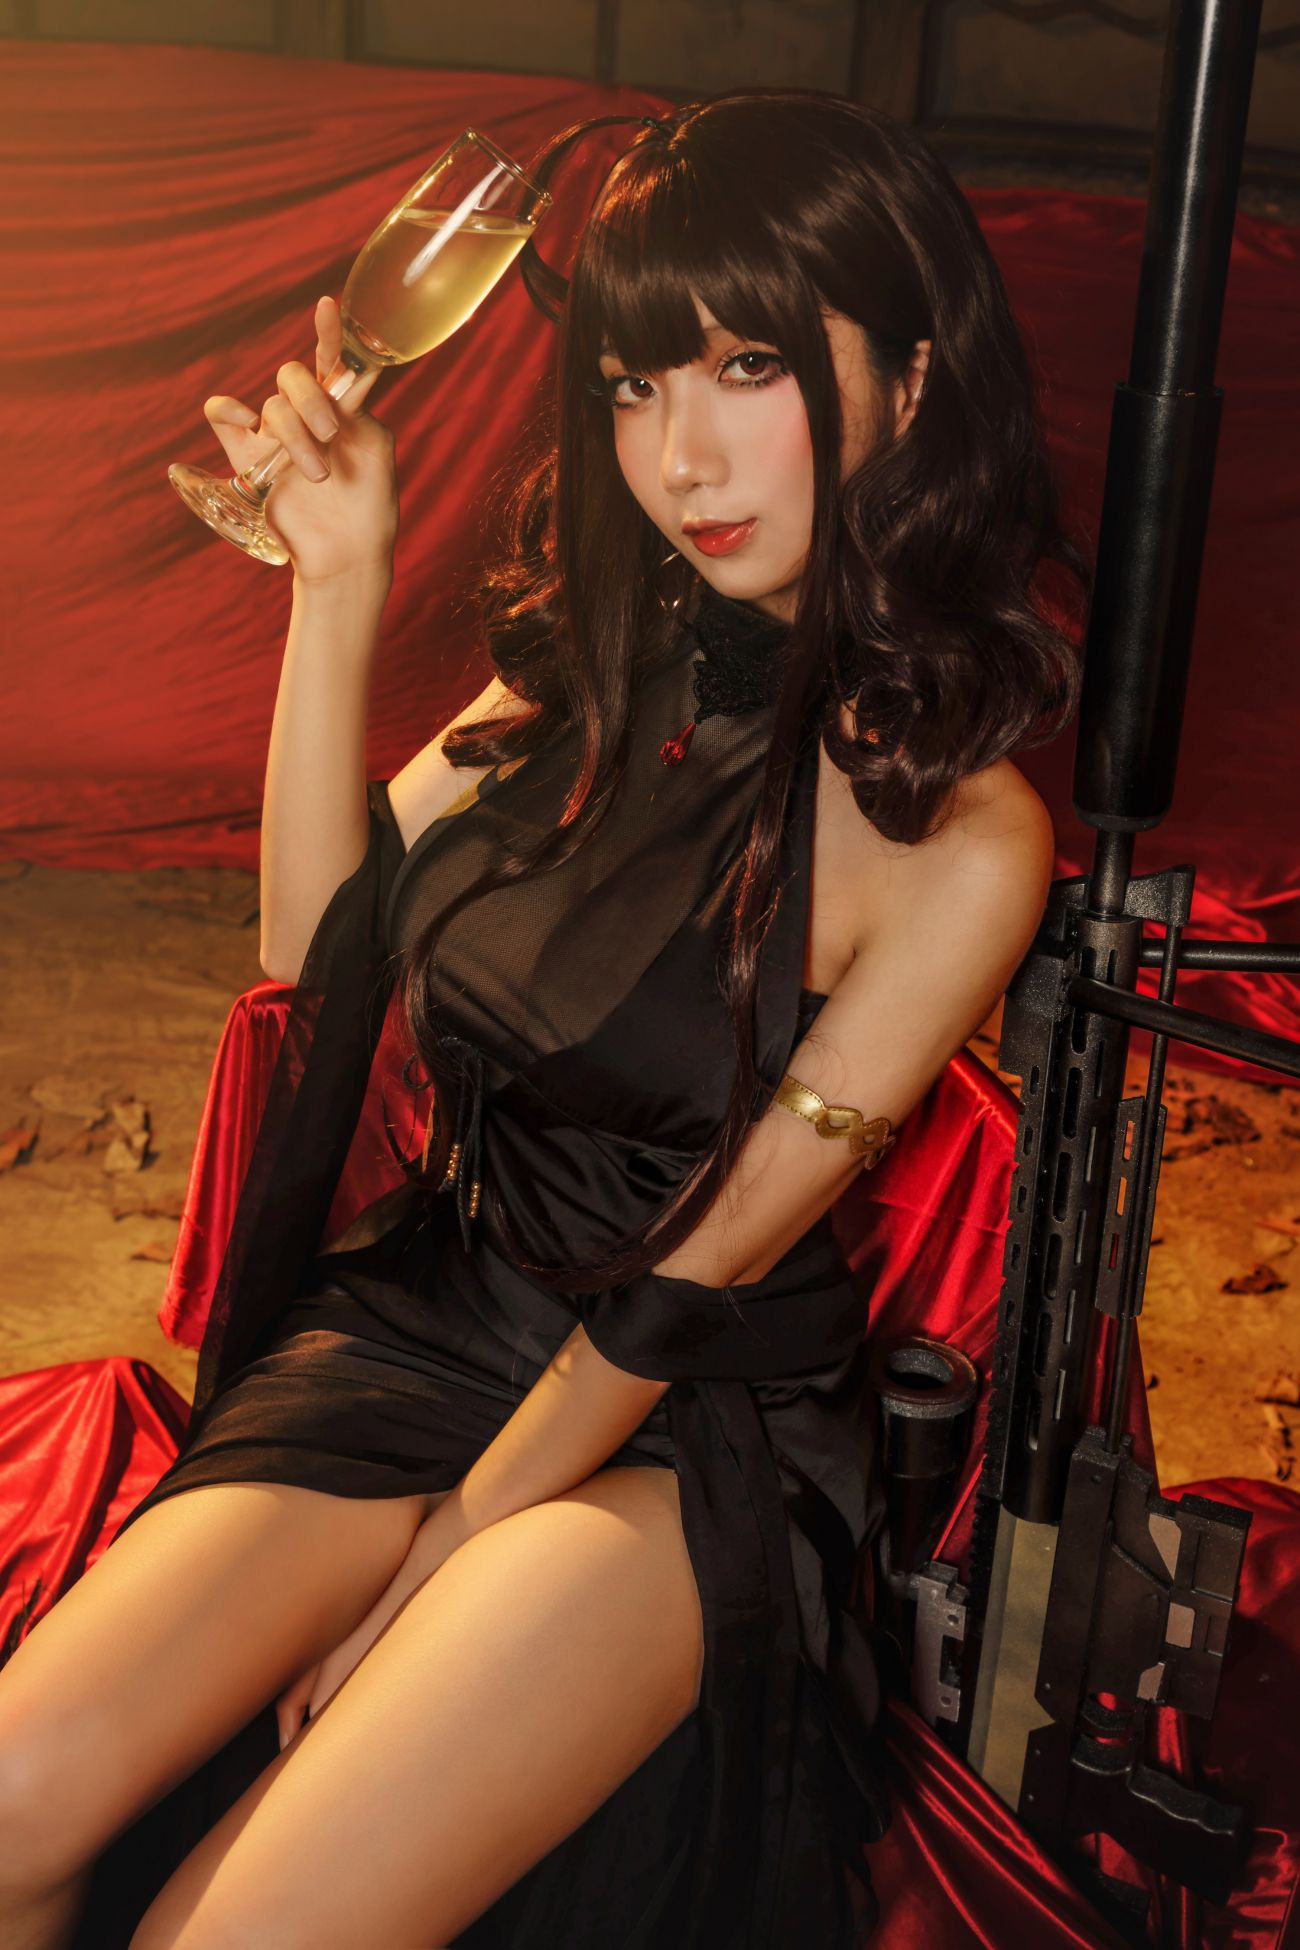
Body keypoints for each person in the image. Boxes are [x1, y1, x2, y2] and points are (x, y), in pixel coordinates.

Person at [0, 89, 1087, 1948]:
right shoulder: (597, 654)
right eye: (634, 387)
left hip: (677, 1423)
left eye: (748, 368)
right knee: (14, 1798)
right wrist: (336, 583)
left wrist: (446, 1548)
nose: (682, 455)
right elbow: (315, 961)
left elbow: (696, 1277)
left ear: (908, 382)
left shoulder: (961, 840)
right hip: (430, 1316)